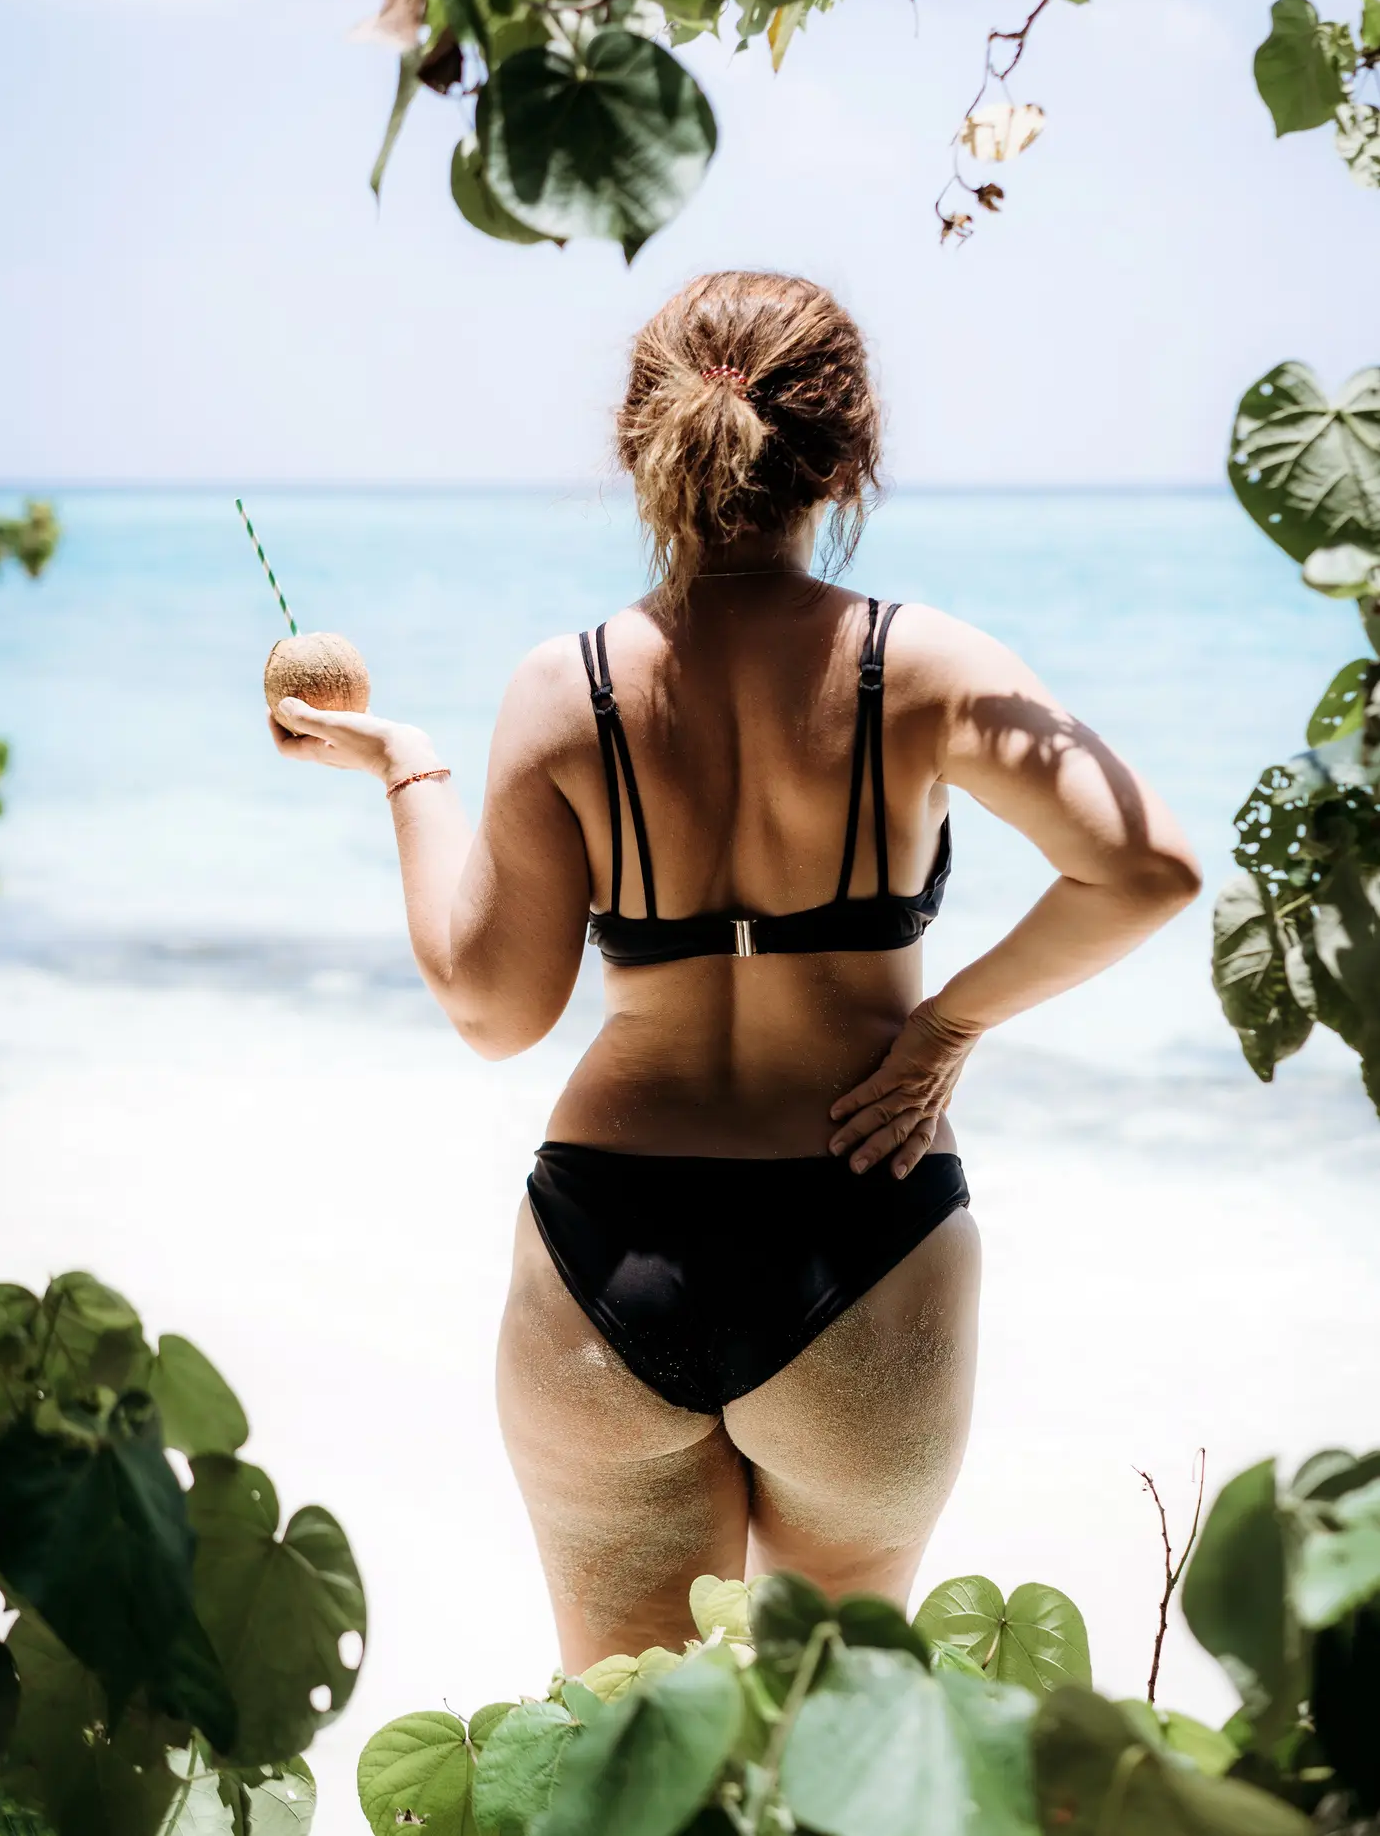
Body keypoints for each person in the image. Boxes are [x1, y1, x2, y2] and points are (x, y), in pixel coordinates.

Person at [272, 270, 1200, 1671]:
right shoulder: (922, 662)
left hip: (607, 1253)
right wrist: (944, 1027)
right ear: (847, 452)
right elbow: (1148, 870)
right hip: (862, 1237)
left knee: (622, 1755)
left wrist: (406, 768)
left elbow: (491, 1012)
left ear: (637, 438)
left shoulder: (566, 684)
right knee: (830, 1745)